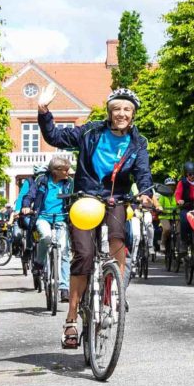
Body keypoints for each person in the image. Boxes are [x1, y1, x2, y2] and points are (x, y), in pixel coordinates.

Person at [37, 85, 153, 349]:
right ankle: (71, 320)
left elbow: (143, 174)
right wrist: (44, 111)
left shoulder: (138, 142)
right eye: (117, 109)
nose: (121, 113)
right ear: (109, 112)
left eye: (127, 109)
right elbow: (55, 136)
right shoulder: (90, 132)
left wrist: (146, 194)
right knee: (85, 255)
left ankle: (114, 294)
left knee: (117, 241)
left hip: (116, 200)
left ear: (133, 114)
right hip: (85, 198)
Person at [20, 156, 74, 302]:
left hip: (61, 218)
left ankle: (64, 288)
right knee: (46, 237)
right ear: (56, 171)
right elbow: (29, 195)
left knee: (64, 251)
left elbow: (75, 198)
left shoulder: (69, 183)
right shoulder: (42, 180)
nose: (68, 173)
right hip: (43, 217)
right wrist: (26, 205)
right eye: (65, 170)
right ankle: (39, 263)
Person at [158, 177, 178, 254]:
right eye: (169, 186)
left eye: (172, 185)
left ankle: (178, 248)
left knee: (179, 231)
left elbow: (179, 204)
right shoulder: (162, 196)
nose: (171, 187)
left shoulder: (176, 195)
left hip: (175, 216)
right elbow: (159, 205)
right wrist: (161, 209)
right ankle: (162, 243)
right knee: (167, 229)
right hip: (164, 216)